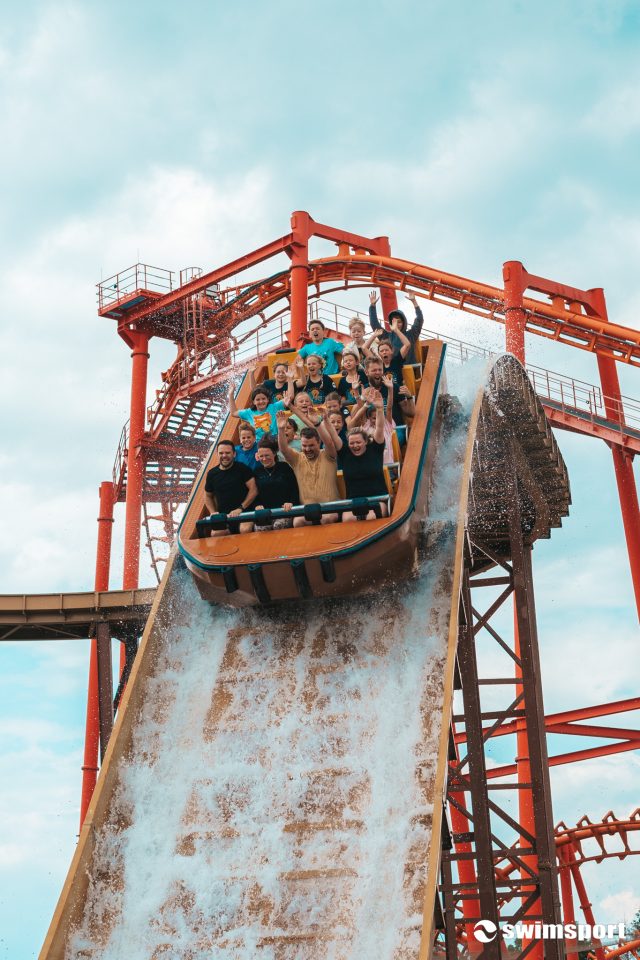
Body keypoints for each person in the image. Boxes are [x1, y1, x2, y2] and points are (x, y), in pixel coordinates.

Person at [276, 409, 341, 526]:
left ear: (318, 443)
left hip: (330, 508)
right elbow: (284, 450)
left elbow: (329, 443)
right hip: (307, 510)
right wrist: (280, 429)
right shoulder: (297, 458)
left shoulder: (328, 455)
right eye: (304, 445)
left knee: (326, 519)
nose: (307, 449)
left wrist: (317, 424)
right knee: (297, 521)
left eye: (311, 445)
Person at [340, 389, 389, 522]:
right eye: (352, 443)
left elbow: (379, 428)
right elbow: (333, 436)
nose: (355, 445)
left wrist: (380, 409)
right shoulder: (346, 454)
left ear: (366, 441)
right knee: (347, 519)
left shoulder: (375, 449)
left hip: (377, 499)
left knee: (372, 517)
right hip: (354, 501)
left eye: (358, 442)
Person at [204, 440, 257, 536]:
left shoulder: (243, 469)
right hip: (224, 517)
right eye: (221, 453)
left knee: (245, 529)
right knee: (216, 534)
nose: (224, 455)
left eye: (227, 453)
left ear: (234, 454)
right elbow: (208, 496)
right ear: (217, 454)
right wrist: (213, 512)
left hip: (244, 514)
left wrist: (240, 508)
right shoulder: (212, 474)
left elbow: (254, 490)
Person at [251, 438, 300, 530]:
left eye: (267, 455)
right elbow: (254, 493)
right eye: (261, 456)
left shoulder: (284, 467)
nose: (264, 459)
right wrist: (256, 505)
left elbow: (294, 488)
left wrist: (291, 502)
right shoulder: (256, 471)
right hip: (265, 513)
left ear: (274, 454)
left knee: (279, 526)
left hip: (284, 510)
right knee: (261, 528)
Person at [369, 291, 423, 364]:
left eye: (399, 322)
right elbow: (374, 324)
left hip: (409, 369)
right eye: (394, 322)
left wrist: (414, 302)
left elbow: (419, 319)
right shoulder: (386, 336)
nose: (397, 324)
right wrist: (372, 306)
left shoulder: (411, 334)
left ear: (404, 323)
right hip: (394, 369)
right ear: (391, 323)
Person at [227, 383, 292, 439]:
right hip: (259, 444)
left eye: (263, 399)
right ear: (254, 402)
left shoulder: (275, 407)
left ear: (267, 400)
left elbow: (290, 397)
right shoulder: (249, 412)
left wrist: (289, 379)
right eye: (258, 400)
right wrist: (230, 395)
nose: (261, 401)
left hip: (275, 440)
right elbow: (234, 413)